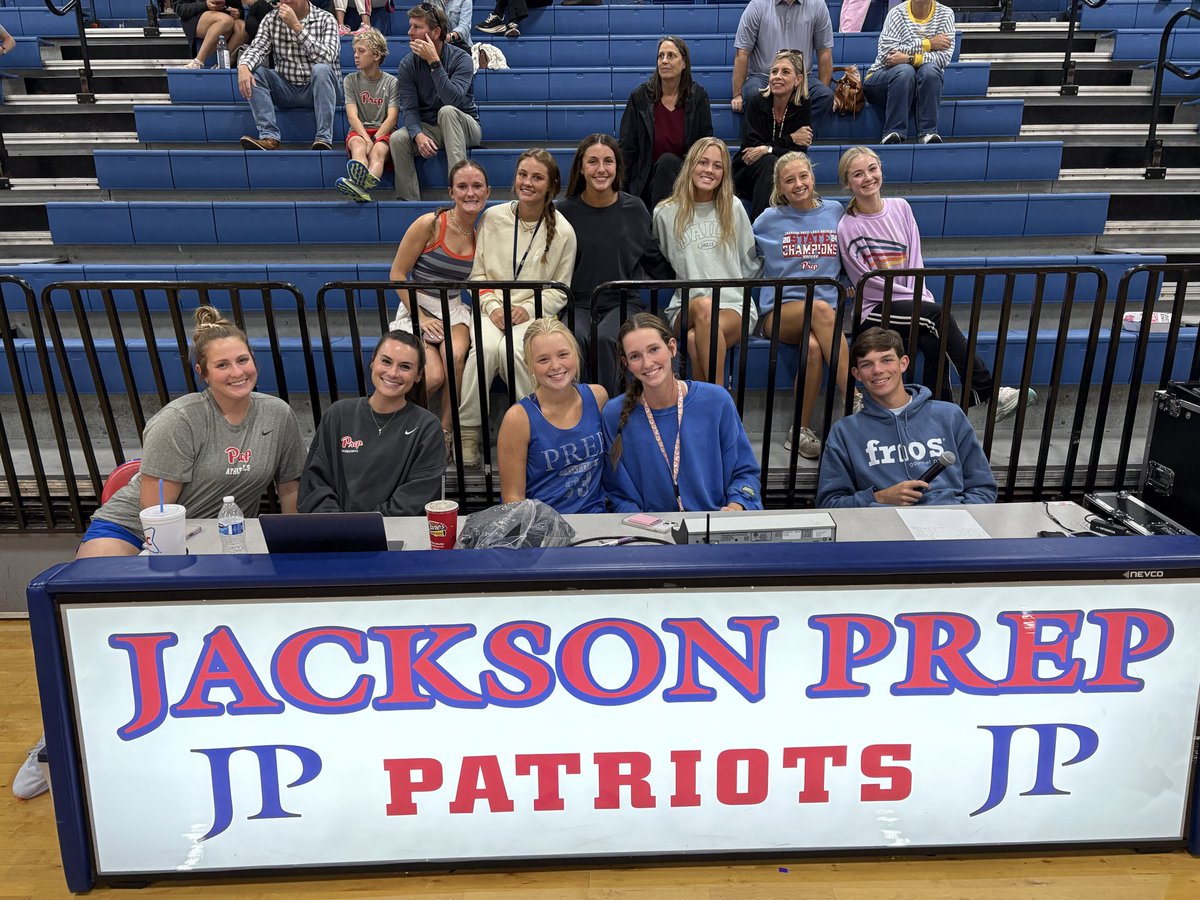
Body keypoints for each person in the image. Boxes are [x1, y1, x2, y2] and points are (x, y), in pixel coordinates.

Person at [11, 306, 307, 801]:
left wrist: (295, 550)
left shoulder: (276, 415)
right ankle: (57, 737)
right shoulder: (180, 420)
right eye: (223, 365)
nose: (238, 372)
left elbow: (290, 490)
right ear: (202, 373)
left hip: (226, 534)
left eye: (244, 360)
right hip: (140, 526)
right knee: (87, 612)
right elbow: (157, 514)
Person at [836, 146, 1034, 421]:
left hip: (911, 302)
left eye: (872, 169)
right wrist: (920, 304)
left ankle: (933, 416)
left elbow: (915, 261)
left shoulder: (901, 207)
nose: (868, 177)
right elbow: (866, 281)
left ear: (881, 170)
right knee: (937, 317)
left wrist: (921, 298)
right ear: (848, 183)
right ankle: (988, 391)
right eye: (858, 174)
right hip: (874, 310)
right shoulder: (849, 225)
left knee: (933, 342)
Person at [457, 149, 577, 468]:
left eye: (537, 177)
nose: (527, 182)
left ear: (551, 185)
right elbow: (478, 273)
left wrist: (529, 309)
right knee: (482, 350)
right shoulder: (494, 218)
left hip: (534, 314)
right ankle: (469, 434)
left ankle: (535, 428)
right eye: (523, 175)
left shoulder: (564, 231)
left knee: (514, 351)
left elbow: (559, 290)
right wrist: (492, 304)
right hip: (490, 310)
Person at [817, 327, 997, 508]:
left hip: (950, 522)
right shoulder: (845, 431)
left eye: (886, 360)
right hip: (885, 526)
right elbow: (829, 503)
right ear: (857, 374)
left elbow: (982, 488)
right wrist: (878, 497)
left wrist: (959, 515)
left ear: (903, 363)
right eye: (866, 364)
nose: (878, 370)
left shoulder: (950, 416)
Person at [603, 313, 762, 513]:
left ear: (671, 347)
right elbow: (617, 494)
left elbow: (745, 473)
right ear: (626, 363)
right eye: (635, 356)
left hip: (711, 525)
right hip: (649, 533)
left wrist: (737, 506)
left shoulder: (716, 401)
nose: (647, 363)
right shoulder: (613, 414)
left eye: (654, 349)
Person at [556, 134, 674, 396]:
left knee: (607, 338)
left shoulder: (634, 208)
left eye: (608, 161)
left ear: (617, 167)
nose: (601, 169)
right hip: (579, 304)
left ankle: (611, 412)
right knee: (573, 339)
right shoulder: (563, 211)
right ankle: (579, 412)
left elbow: (653, 258)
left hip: (623, 302)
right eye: (593, 161)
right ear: (581, 167)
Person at [752, 151, 851, 460]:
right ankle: (856, 397)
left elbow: (851, 247)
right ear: (780, 187)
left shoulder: (835, 211)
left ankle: (799, 430)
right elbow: (744, 255)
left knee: (812, 348)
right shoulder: (768, 220)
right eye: (789, 180)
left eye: (803, 176)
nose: (798, 184)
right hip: (780, 314)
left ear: (812, 177)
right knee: (820, 308)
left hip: (822, 320)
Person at [389, 158, 490, 459]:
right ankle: (404, 430)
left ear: (487, 191)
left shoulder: (484, 231)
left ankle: (446, 432)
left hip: (453, 307)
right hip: (416, 305)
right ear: (451, 192)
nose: (470, 193)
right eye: (462, 187)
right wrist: (419, 317)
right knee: (431, 376)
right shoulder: (430, 224)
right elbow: (396, 275)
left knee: (456, 355)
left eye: (476, 186)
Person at [653, 137, 761, 387]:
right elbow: (662, 260)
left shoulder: (733, 207)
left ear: (724, 173)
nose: (709, 170)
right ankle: (721, 404)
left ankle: (707, 410)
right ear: (690, 165)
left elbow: (748, 262)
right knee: (703, 306)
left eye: (717, 165)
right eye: (703, 162)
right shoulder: (665, 212)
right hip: (685, 306)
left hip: (733, 304)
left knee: (694, 339)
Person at [299, 331, 446, 514]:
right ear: (372, 362)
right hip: (335, 533)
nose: (393, 373)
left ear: (418, 375)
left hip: (395, 534)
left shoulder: (427, 427)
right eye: (386, 361)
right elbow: (314, 484)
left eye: (405, 367)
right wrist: (339, 526)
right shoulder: (338, 414)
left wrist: (367, 528)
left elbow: (417, 497)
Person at [497, 318, 607, 513]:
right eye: (543, 359)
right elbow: (512, 499)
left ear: (576, 354)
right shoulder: (518, 418)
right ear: (529, 366)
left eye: (563, 354)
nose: (555, 365)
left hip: (595, 522)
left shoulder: (598, 397)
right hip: (542, 529)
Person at [389, 3, 482, 201]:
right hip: (431, 128)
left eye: (417, 27)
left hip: (465, 126)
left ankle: (460, 194)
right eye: (410, 26)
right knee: (398, 139)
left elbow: (454, 99)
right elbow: (410, 108)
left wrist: (434, 64)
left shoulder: (462, 59)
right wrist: (417, 135)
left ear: (436, 32)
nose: (409, 32)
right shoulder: (407, 64)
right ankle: (408, 203)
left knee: (447, 111)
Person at [618, 37, 714, 214]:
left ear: (684, 62)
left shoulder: (698, 97)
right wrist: (620, 193)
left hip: (684, 179)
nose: (664, 61)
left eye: (671, 56)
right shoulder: (639, 98)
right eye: (661, 56)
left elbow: (704, 146)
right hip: (645, 181)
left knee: (668, 162)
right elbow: (627, 148)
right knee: (665, 163)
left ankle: (659, 229)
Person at [236, 0, 339, 151]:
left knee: (321, 69)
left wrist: (296, 27)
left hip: (318, 89)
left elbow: (327, 58)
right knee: (254, 71)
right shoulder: (271, 19)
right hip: (286, 87)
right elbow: (257, 48)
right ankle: (269, 137)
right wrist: (243, 66)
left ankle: (323, 138)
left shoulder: (326, 18)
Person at [733, 49, 813, 222]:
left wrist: (767, 148)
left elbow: (798, 153)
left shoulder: (802, 105)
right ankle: (761, 228)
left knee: (793, 167)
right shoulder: (757, 101)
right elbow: (750, 150)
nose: (777, 76)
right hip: (747, 172)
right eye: (774, 71)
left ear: (798, 80)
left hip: (784, 174)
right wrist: (790, 139)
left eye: (785, 72)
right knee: (769, 163)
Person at [732, 0, 835, 132]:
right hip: (763, 77)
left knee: (825, 95)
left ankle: (795, 139)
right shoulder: (757, 5)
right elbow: (742, 52)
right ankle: (771, 140)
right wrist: (737, 95)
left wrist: (824, 85)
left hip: (801, 78)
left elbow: (824, 52)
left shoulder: (818, 5)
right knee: (752, 94)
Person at [865, 0, 956, 144]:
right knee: (905, 71)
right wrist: (928, 44)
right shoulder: (896, 13)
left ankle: (928, 133)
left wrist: (909, 58)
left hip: (918, 85)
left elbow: (943, 58)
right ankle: (894, 132)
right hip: (883, 79)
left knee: (931, 70)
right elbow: (887, 55)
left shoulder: (946, 14)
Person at [335, 28, 399, 202]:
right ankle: (360, 185)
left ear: (377, 55)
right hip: (360, 130)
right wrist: (365, 139)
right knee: (357, 146)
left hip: (383, 131)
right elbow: (352, 116)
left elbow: (392, 118)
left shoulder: (392, 82)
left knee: (378, 151)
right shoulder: (350, 80)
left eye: (361, 51)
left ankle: (361, 188)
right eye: (355, 51)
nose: (356, 55)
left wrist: (375, 139)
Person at [177, 0, 246, 70]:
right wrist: (205, 5)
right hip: (196, 15)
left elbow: (238, 7)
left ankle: (223, 66)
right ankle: (198, 62)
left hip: (226, 15)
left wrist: (238, 12)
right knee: (225, 20)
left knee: (242, 27)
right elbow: (180, 8)